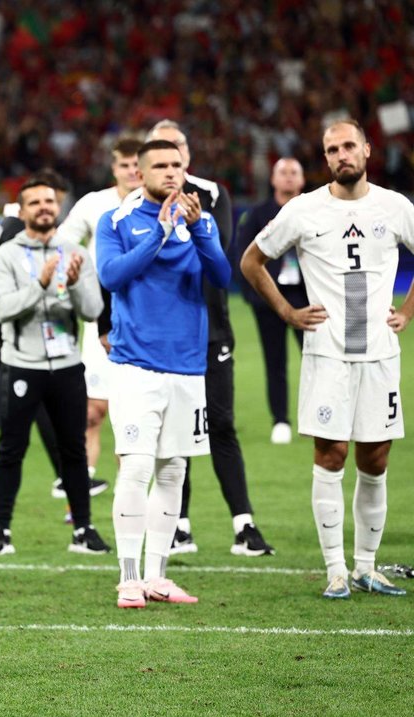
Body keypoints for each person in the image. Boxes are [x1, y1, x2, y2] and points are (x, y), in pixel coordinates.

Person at [241, 119, 414, 599]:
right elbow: (252, 261)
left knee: (376, 459)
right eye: (332, 149)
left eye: (348, 146)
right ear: (326, 158)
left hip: (379, 353)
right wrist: (286, 311)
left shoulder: (395, 207)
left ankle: (367, 565)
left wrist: (406, 312)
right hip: (328, 354)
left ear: (367, 150)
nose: (341, 155)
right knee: (330, 453)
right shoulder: (304, 210)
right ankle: (336, 568)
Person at [96, 139, 230, 608]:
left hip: (189, 367)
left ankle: (158, 575)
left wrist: (198, 232)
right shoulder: (116, 221)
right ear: (139, 172)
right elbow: (111, 277)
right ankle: (128, 578)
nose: (171, 173)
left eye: (177, 165)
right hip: (136, 365)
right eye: (160, 165)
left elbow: (222, 276)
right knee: (135, 465)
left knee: (173, 470)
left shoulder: (203, 220)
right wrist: (159, 231)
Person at [146, 120, 274, 557]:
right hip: (162, 337)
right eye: (159, 151)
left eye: (176, 149)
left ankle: (244, 524)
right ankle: (178, 525)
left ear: (187, 155)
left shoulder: (212, 193)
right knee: (171, 434)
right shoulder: (135, 205)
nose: (169, 161)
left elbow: (216, 257)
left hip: (210, 330)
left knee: (221, 424)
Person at [0, 175, 110, 556]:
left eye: (49, 202)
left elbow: (93, 311)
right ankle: (0, 530)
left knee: (73, 449)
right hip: (22, 365)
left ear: (59, 208)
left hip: (68, 365)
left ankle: (83, 530)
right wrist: (38, 284)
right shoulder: (5, 255)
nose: (43, 208)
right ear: (21, 212)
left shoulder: (76, 253)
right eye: (35, 202)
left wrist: (71, 284)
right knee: (11, 449)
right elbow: (1, 309)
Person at [0, 171, 103, 504]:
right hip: (15, 330)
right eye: (43, 200)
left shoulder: (10, 224)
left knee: (21, 404)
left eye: (52, 201)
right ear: (25, 206)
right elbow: (7, 281)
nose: (50, 207)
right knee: (8, 404)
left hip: (31, 334)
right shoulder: (15, 233)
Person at [55, 137, 144, 490]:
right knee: (92, 412)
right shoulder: (95, 204)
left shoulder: (156, 205)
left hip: (142, 319)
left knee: (134, 415)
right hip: (99, 318)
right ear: (114, 168)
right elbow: (63, 242)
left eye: (137, 164)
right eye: (125, 165)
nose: (132, 171)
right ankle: (81, 486)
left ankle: (130, 490)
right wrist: (69, 278)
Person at [235, 158, 308, 444]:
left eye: (294, 172)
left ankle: (320, 416)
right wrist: (254, 296)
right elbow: (242, 255)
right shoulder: (257, 215)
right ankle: (280, 421)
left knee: (317, 359)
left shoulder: (316, 211)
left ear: (302, 180)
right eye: (283, 173)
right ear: (274, 180)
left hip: (306, 295)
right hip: (269, 297)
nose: (288, 178)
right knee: (274, 360)